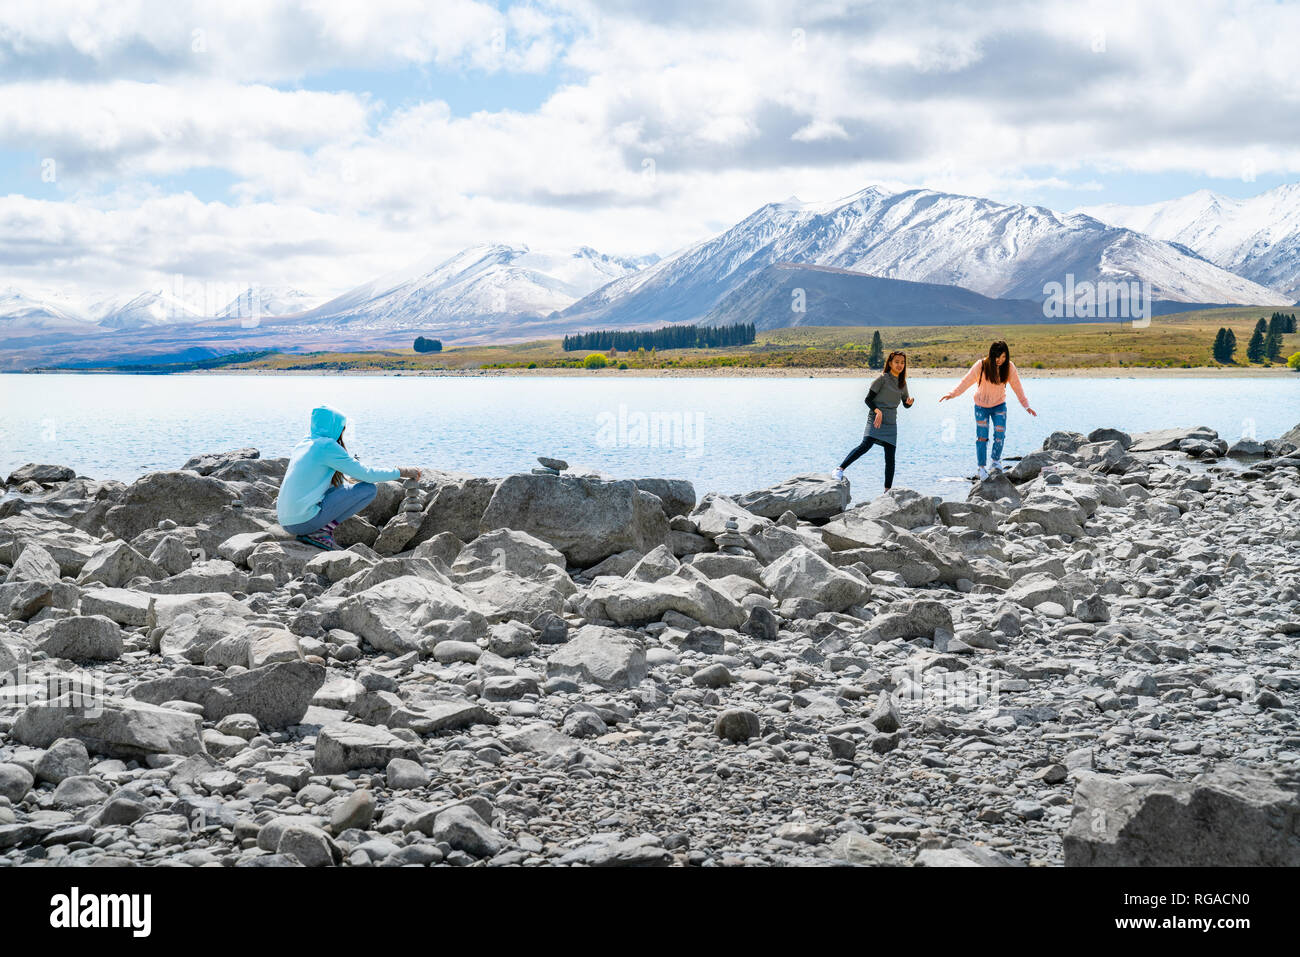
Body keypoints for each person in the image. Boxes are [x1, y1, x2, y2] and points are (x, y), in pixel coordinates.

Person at [276, 406, 420, 550]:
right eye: (341, 427)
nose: (342, 431)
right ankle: (320, 532)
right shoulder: (327, 446)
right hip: (303, 522)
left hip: (286, 521)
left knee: (340, 487)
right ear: (333, 426)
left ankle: (316, 530)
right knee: (368, 489)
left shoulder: (305, 443)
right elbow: (367, 475)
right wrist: (402, 471)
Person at [939, 340, 1036, 480]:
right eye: (997, 357)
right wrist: (952, 394)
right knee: (982, 437)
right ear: (991, 355)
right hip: (981, 407)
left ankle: (996, 461)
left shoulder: (1009, 367)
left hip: (999, 405)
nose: (1000, 360)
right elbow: (966, 381)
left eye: (1003, 357)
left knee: (1000, 433)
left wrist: (1026, 405)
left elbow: (1017, 387)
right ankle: (981, 468)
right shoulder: (981, 365)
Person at [834, 350, 913, 490]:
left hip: (890, 423)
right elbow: (868, 400)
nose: (900, 365)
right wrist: (877, 411)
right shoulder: (882, 378)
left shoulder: (903, 383)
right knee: (865, 445)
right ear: (890, 363)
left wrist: (909, 403)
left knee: (890, 458)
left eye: (902, 362)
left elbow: (905, 404)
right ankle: (839, 469)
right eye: (897, 362)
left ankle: (887, 490)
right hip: (876, 418)